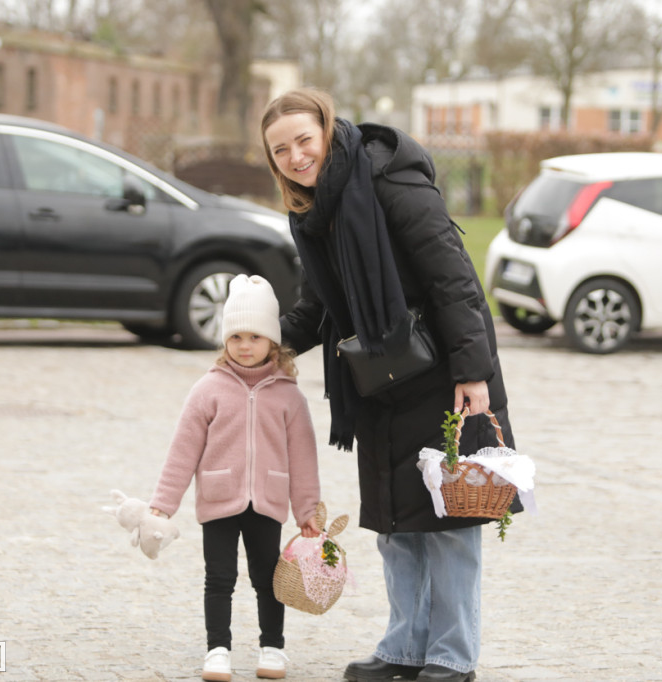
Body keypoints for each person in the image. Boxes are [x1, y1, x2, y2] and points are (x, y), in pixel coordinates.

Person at [260, 88, 524, 682]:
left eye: (305, 139)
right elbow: (319, 303)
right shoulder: (313, 209)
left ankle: (452, 657)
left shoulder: (387, 177)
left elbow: (452, 274)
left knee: (448, 521)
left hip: (440, 374)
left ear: (327, 129)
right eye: (281, 149)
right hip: (377, 376)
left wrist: (473, 372)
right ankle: (405, 648)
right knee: (397, 522)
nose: (297, 155)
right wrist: (263, 349)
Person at [149, 274, 322, 682]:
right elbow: (182, 452)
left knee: (268, 579)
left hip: (267, 500)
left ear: (272, 342)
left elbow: (303, 458)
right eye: (236, 337)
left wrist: (308, 511)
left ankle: (273, 649)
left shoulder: (289, 396)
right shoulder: (207, 390)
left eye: (255, 337)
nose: (245, 346)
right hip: (218, 499)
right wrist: (163, 503)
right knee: (219, 578)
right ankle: (217, 650)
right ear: (225, 340)